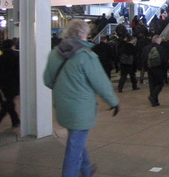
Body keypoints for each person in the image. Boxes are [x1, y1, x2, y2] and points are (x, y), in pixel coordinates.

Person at [43, 19, 119, 176]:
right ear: (83, 34)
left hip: (62, 107)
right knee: (74, 147)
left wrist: (64, 90)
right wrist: (113, 101)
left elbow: (47, 80)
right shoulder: (86, 55)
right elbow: (100, 82)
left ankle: (86, 170)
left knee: (76, 140)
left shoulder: (54, 53)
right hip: (81, 109)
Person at [0, 39, 20, 135]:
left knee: (9, 103)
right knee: (7, 104)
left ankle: (15, 120)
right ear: (12, 46)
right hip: (13, 84)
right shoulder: (16, 57)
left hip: (3, 85)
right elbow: (18, 72)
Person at [142, 35, 167, 107]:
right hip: (159, 68)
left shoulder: (146, 48)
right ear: (158, 40)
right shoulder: (160, 48)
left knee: (152, 84)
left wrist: (145, 67)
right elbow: (163, 59)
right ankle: (153, 96)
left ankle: (154, 101)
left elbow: (143, 58)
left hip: (150, 68)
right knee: (160, 83)